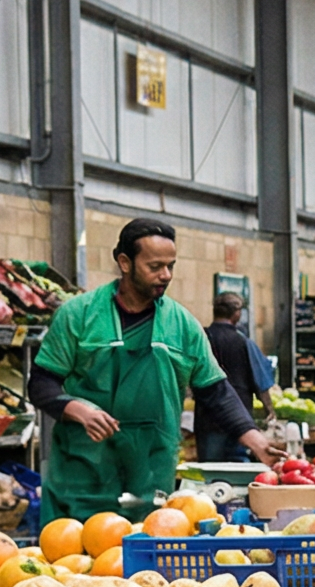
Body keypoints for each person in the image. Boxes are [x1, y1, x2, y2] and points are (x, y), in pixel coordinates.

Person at [29, 219, 283, 522]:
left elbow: (214, 391)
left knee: (142, 564)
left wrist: (255, 440)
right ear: (125, 262)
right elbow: (42, 384)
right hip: (82, 476)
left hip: (148, 477)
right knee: (69, 560)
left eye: (171, 266)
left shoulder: (182, 324)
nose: (165, 275)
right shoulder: (78, 315)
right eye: (155, 266)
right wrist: (76, 409)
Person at [199, 291, 266, 463]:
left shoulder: (201, 338)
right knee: (239, 467)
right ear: (237, 314)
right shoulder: (243, 342)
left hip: (208, 418)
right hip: (239, 416)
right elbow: (260, 380)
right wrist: (269, 408)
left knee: (210, 472)